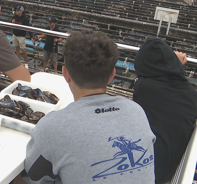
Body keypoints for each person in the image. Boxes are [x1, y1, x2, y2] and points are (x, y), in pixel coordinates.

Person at [24, 30, 156, 183]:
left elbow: (33, 176)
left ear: (65, 74)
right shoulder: (137, 111)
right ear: (112, 75)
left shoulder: (53, 127)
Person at [133, 38, 197, 184]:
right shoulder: (191, 93)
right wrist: (173, 63)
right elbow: (171, 83)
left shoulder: (143, 88)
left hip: (148, 170)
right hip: (170, 170)